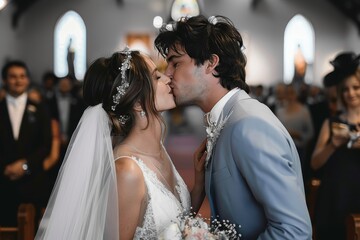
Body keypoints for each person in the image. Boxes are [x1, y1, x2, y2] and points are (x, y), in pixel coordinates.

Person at [155, 14, 312, 239]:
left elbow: (294, 230)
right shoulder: (229, 118)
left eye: (176, 63)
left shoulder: (249, 125)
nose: (167, 74)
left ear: (211, 63)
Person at [35, 48, 206, 239]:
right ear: (137, 104)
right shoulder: (127, 170)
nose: (168, 78)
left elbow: (175, 225)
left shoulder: (158, 150)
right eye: (157, 77)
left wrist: (198, 186)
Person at [310, 52, 360, 240]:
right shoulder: (331, 123)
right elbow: (314, 164)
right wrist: (333, 144)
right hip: (336, 194)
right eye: (345, 89)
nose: (351, 94)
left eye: (356, 87)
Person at [0, 60, 52, 227]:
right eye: (13, 77)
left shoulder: (41, 109)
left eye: (22, 76)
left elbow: (46, 145)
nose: (18, 80)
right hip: (3, 182)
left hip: (32, 183)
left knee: (31, 230)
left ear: (28, 80)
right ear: (5, 80)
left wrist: (24, 165)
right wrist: (6, 168)